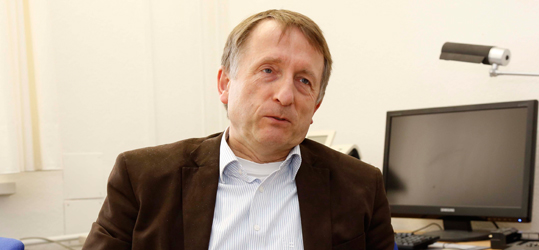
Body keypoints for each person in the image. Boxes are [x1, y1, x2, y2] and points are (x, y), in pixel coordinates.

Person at [83, 9, 394, 250]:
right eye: (268, 70)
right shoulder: (141, 178)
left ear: (315, 106)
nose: (285, 96)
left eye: (304, 80)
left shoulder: (362, 188)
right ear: (225, 84)